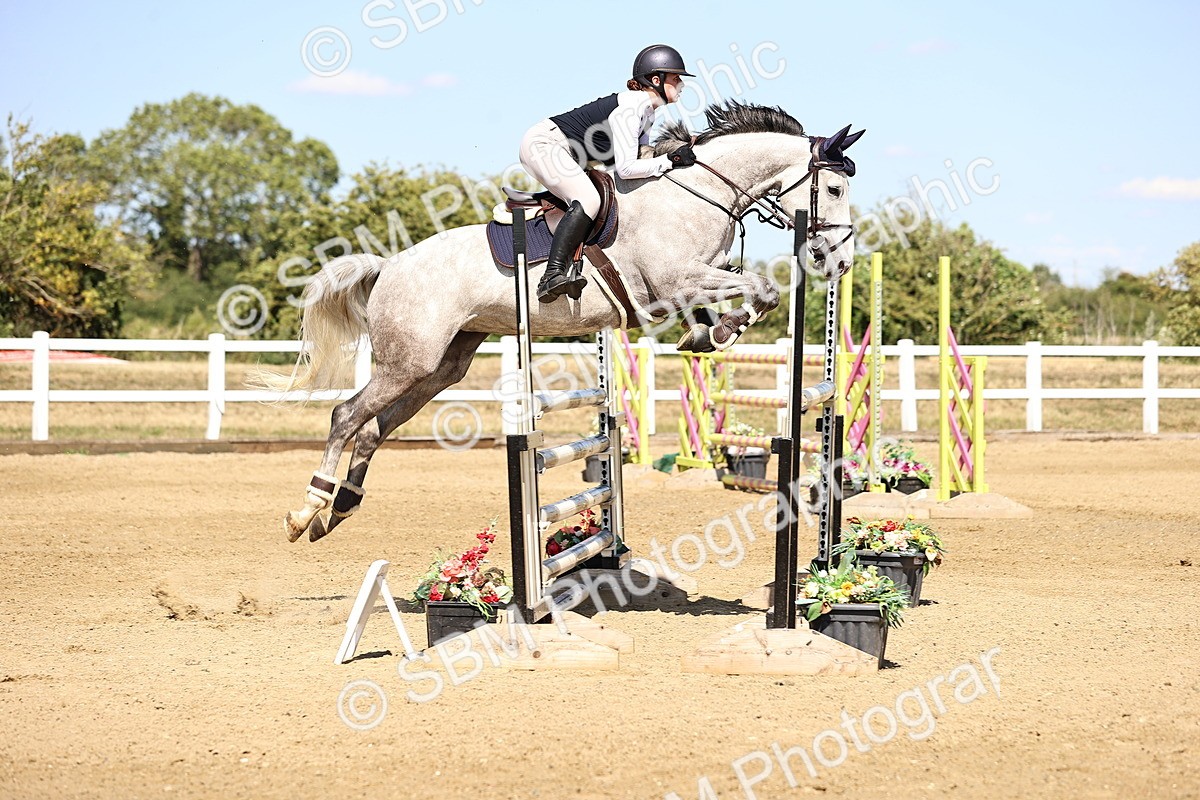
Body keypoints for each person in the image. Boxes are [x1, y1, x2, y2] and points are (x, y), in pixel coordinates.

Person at [519, 44, 697, 302]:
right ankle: (551, 275)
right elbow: (626, 169)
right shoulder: (633, 107)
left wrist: (677, 152)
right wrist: (669, 161)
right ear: (656, 80)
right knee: (588, 199)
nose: (681, 84)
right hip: (543, 145)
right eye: (676, 78)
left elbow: (640, 156)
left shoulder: (648, 113)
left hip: (565, 151)